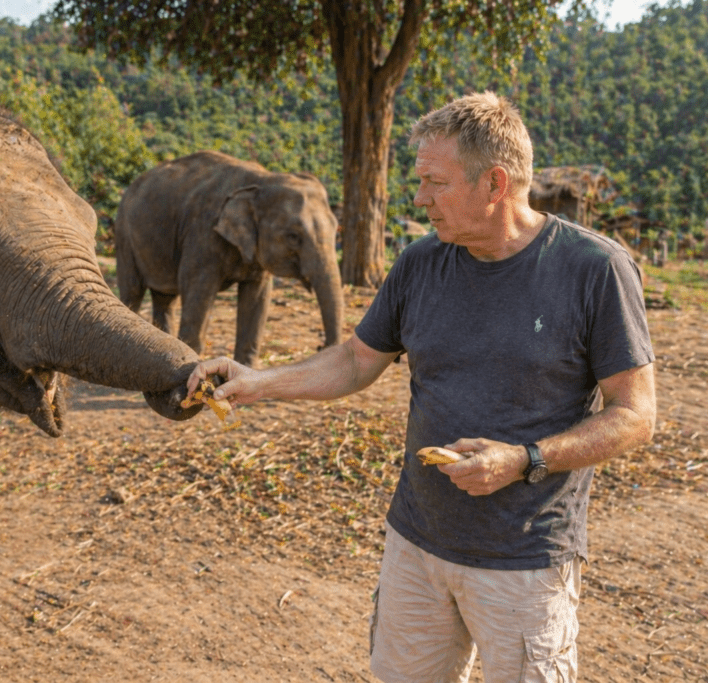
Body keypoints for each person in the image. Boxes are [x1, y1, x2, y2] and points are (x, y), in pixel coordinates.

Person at [186, 91, 656, 682]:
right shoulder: (420, 263)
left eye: (435, 182)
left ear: (494, 184)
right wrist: (259, 382)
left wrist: (524, 459)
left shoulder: (594, 270)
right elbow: (357, 361)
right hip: (417, 544)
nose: (419, 198)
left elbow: (635, 415)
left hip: (524, 561)